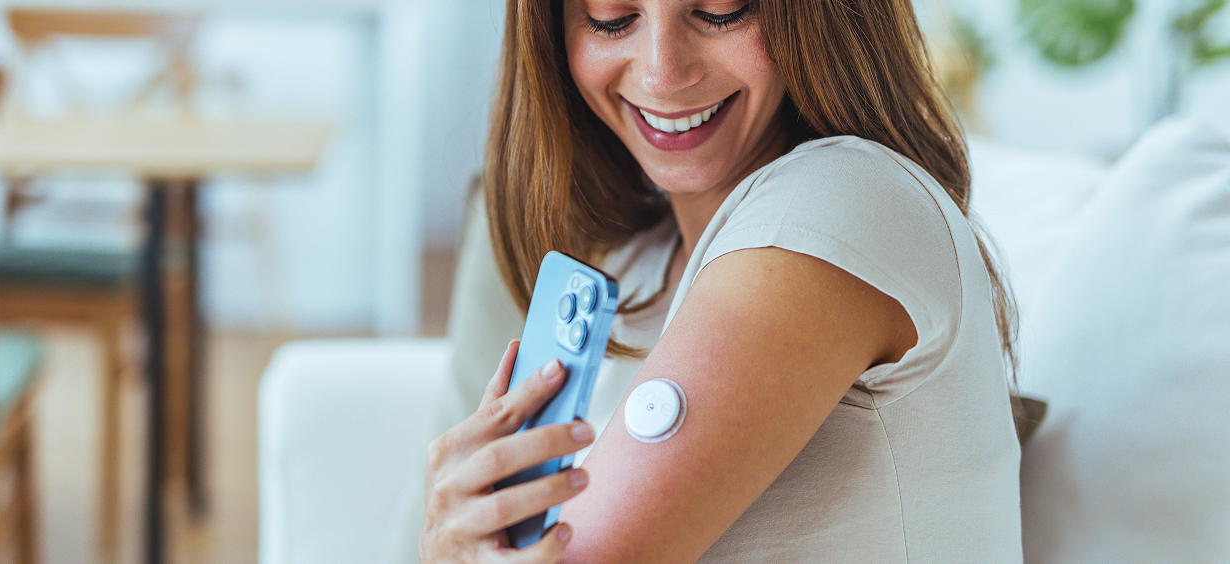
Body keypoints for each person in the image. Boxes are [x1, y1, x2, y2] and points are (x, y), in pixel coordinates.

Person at [419, 0, 1022, 562]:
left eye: (719, 10)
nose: (662, 74)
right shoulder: (634, 268)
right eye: (611, 16)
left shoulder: (841, 205)